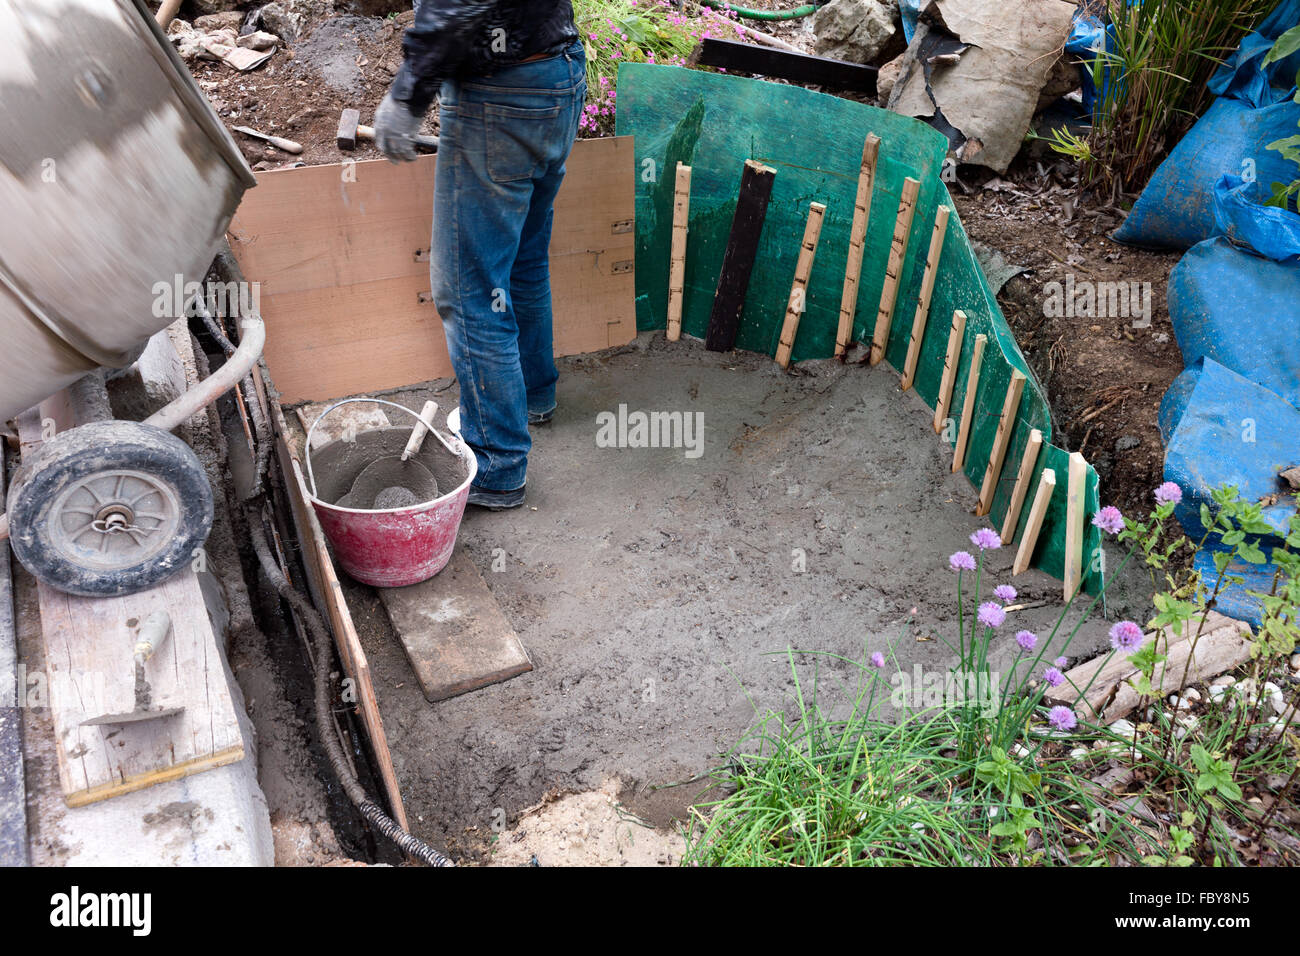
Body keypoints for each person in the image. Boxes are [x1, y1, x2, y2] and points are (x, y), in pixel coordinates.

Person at [373, 1, 585, 510]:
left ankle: (496, 463)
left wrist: (408, 95)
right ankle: (531, 398)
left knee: (469, 293)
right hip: (557, 72)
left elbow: (453, 8)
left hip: (501, 94)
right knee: (522, 261)